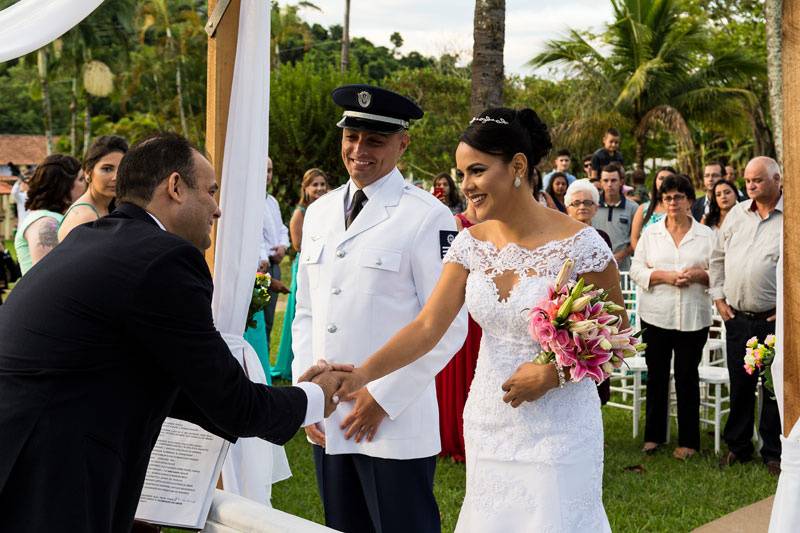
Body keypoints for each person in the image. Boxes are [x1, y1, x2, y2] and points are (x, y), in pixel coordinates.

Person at [0, 133, 348, 532]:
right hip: (52, 477)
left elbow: (179, 386)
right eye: (211, 191)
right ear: (176, 187)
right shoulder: (164, 258)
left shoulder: (94, 239)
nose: (217, 210)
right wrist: (316, 397)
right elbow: (230, 402)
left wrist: (284, 399)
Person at [332, 107, 625, 532]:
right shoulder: (469, 244)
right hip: (489, 417)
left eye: (476, 171)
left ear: (518, 167)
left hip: (560, 425)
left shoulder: (581, 246)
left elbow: (615, 339)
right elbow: (427, 327)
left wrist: (553, 375)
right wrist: (360, 376)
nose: (465, 185)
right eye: (461, 173)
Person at [291, 84, 468, 533]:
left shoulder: (428, 217)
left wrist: (382, 398)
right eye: (351, 136)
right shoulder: (320, 212)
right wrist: (308, 395)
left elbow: (448, 326)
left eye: (375, 140)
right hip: (330, 413)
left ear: (402, 143)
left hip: (395, 421)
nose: (358, 150)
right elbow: (308, 312)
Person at [630, 175, 713, 460]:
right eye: (667, 198)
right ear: (661, 202)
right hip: (656, 315)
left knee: (688, 377)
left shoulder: (706, 235)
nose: (673, 202)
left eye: (678, 197)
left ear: (690, 200)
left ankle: (689, 441)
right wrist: (663, 276)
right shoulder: (651, 234)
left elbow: (721, 272)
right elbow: (636, 270)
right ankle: (654, 436)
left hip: (693, 315)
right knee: (657, 376)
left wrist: (701, 275)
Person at [710, 156, 783, 476]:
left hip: (774, 319)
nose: (750, 186)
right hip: (737, 318)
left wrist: (788, 307)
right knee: (740, 385)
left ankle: (773, 452)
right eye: (747, 181)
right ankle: (738, 447)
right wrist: (718, 297)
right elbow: (717, 257)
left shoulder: (791, 216)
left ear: (777, 179)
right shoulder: (737, 214)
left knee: (771, 388)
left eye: (757, 180)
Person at [436, 198, 482, 462]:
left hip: (485, 308)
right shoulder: (455, 223)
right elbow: (445, 267)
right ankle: (454, 435)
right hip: (461, 304)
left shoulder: (497, 225)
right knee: (457, 371)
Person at [273, 168, 330, 381]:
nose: (320, 188)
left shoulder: (327, 210)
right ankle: (292, 363)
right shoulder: (300, 212)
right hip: (305, 264)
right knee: (302, 312)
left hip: (323, 265)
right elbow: (297, 244)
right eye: (315, 184)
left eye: (323, 184)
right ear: (305, 188)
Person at [563, 178, 613, 405]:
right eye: (576, 203)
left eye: (587, 202)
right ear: (567, 207)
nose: (581, 206)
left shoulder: (602, 238)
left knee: (597, 364)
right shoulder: (560, 238)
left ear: (596, 207)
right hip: (567, 313)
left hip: (597, 311)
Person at [14, 155, 84, 275]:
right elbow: (49, 276)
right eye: (81, 179)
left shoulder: (56, 218)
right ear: (64, 186)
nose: (87, 184)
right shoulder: (45, 222)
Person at [255, 156, 291, 375]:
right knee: (256, 322)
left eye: (270, 170)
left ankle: (265, 368)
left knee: (269, 320)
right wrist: (263, 256)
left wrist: (283, 246)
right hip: (260, 266)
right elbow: (253, 234)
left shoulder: (272, 202)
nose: (267, 175)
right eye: (263, 170)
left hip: (274, 264)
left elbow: (281, 229)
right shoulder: (249, 201)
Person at [58, 135, 128, 242]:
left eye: (122, 169)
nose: (116, 177)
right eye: (107, 169)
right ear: (87, 172)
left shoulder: (108, 207)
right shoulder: (84, 218)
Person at [592, 162, 638, 271]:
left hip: (623, 267)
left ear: (621, 182)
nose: (609, 184)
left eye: (613, 180)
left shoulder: (633, 207)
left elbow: (637, 239)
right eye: (605, 180)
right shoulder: (592, 205)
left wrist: (621, 255)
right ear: (600, 182)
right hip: (595, 265)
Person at [630, 166, 675, 250]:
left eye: (669, 179)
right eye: (661, 178)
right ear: (655, 182)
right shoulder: (643, 209)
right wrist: (643, 258)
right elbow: (634, 238)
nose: (664, 181)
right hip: (646, 260)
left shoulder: (681, 208)